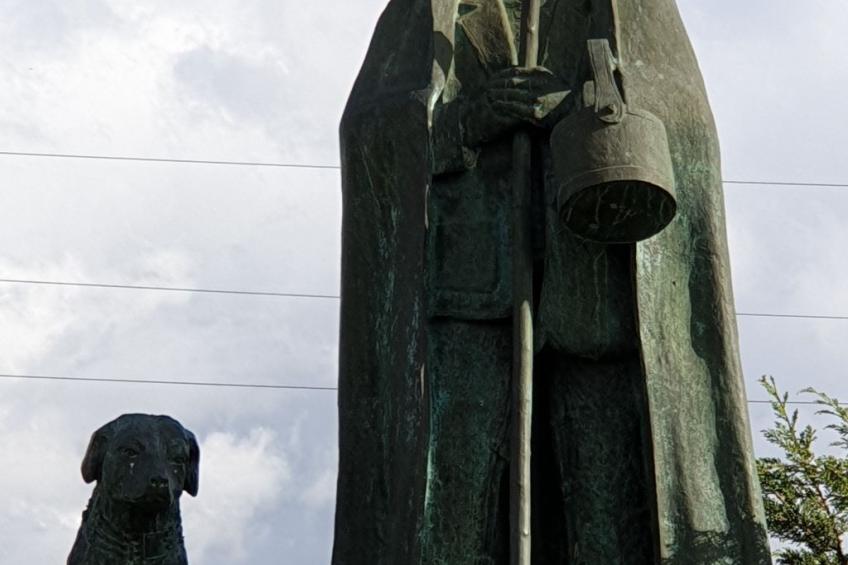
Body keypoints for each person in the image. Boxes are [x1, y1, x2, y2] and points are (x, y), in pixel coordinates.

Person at [333, 1, 772, 563]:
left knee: (610, 512)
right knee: (448, 506)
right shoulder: (431, 10)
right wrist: (465, 121)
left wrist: (588, 111)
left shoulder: (629, 8)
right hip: (465, 305)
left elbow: (687, 128)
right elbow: (369, 133)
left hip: (598, 302)